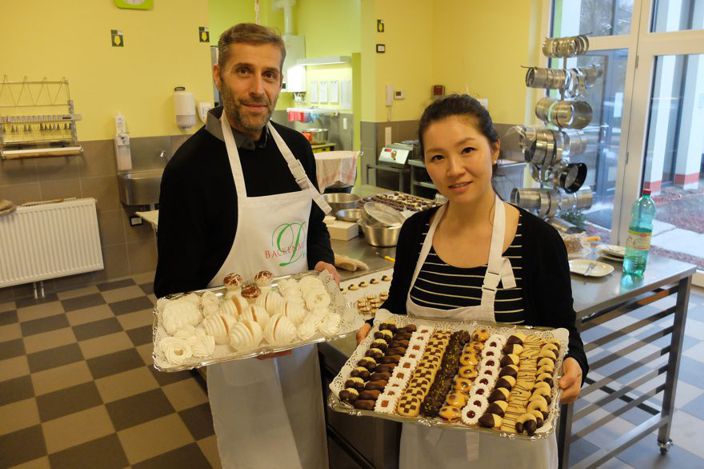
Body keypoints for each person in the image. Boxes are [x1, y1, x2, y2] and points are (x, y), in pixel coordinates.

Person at [357, 94, 588, 468]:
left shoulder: (538, 241)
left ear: (493, 150)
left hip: (512, 439)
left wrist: (575, 361)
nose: (454, 169)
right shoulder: (416, 232)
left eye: (467, 150)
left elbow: (562, 329)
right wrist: (374, 327)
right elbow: (396, 309)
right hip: (428, 431)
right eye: (437, 157)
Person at [155, 23, 338, 469]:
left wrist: (323, 262)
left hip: (299, 336)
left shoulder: (296, 149)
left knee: (307, 446)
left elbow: (313, 225)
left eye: (269, 74)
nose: (258, 89)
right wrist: (246, 335)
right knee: (258, 456)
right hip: (234, 352)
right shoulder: (189, 169)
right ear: (218, 75)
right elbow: (173, 293)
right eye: (244, 71)